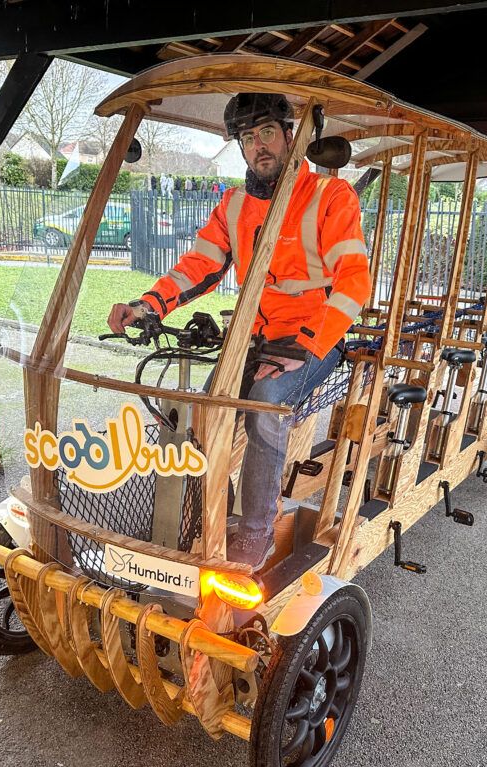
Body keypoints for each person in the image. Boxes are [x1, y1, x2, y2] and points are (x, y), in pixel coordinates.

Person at [107, 93, 369, 570]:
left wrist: (306, 346)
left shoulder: (332, 197)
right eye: (247, 138)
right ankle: (205, 518)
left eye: (267, 132)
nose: (258, 146)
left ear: (292, 136)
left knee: (264, 409)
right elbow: (198, 267)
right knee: (207, 416)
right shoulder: (233, 205)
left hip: (313, 341)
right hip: (251, 339)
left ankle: (254, 538)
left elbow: (355, 284)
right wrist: (147, 304)